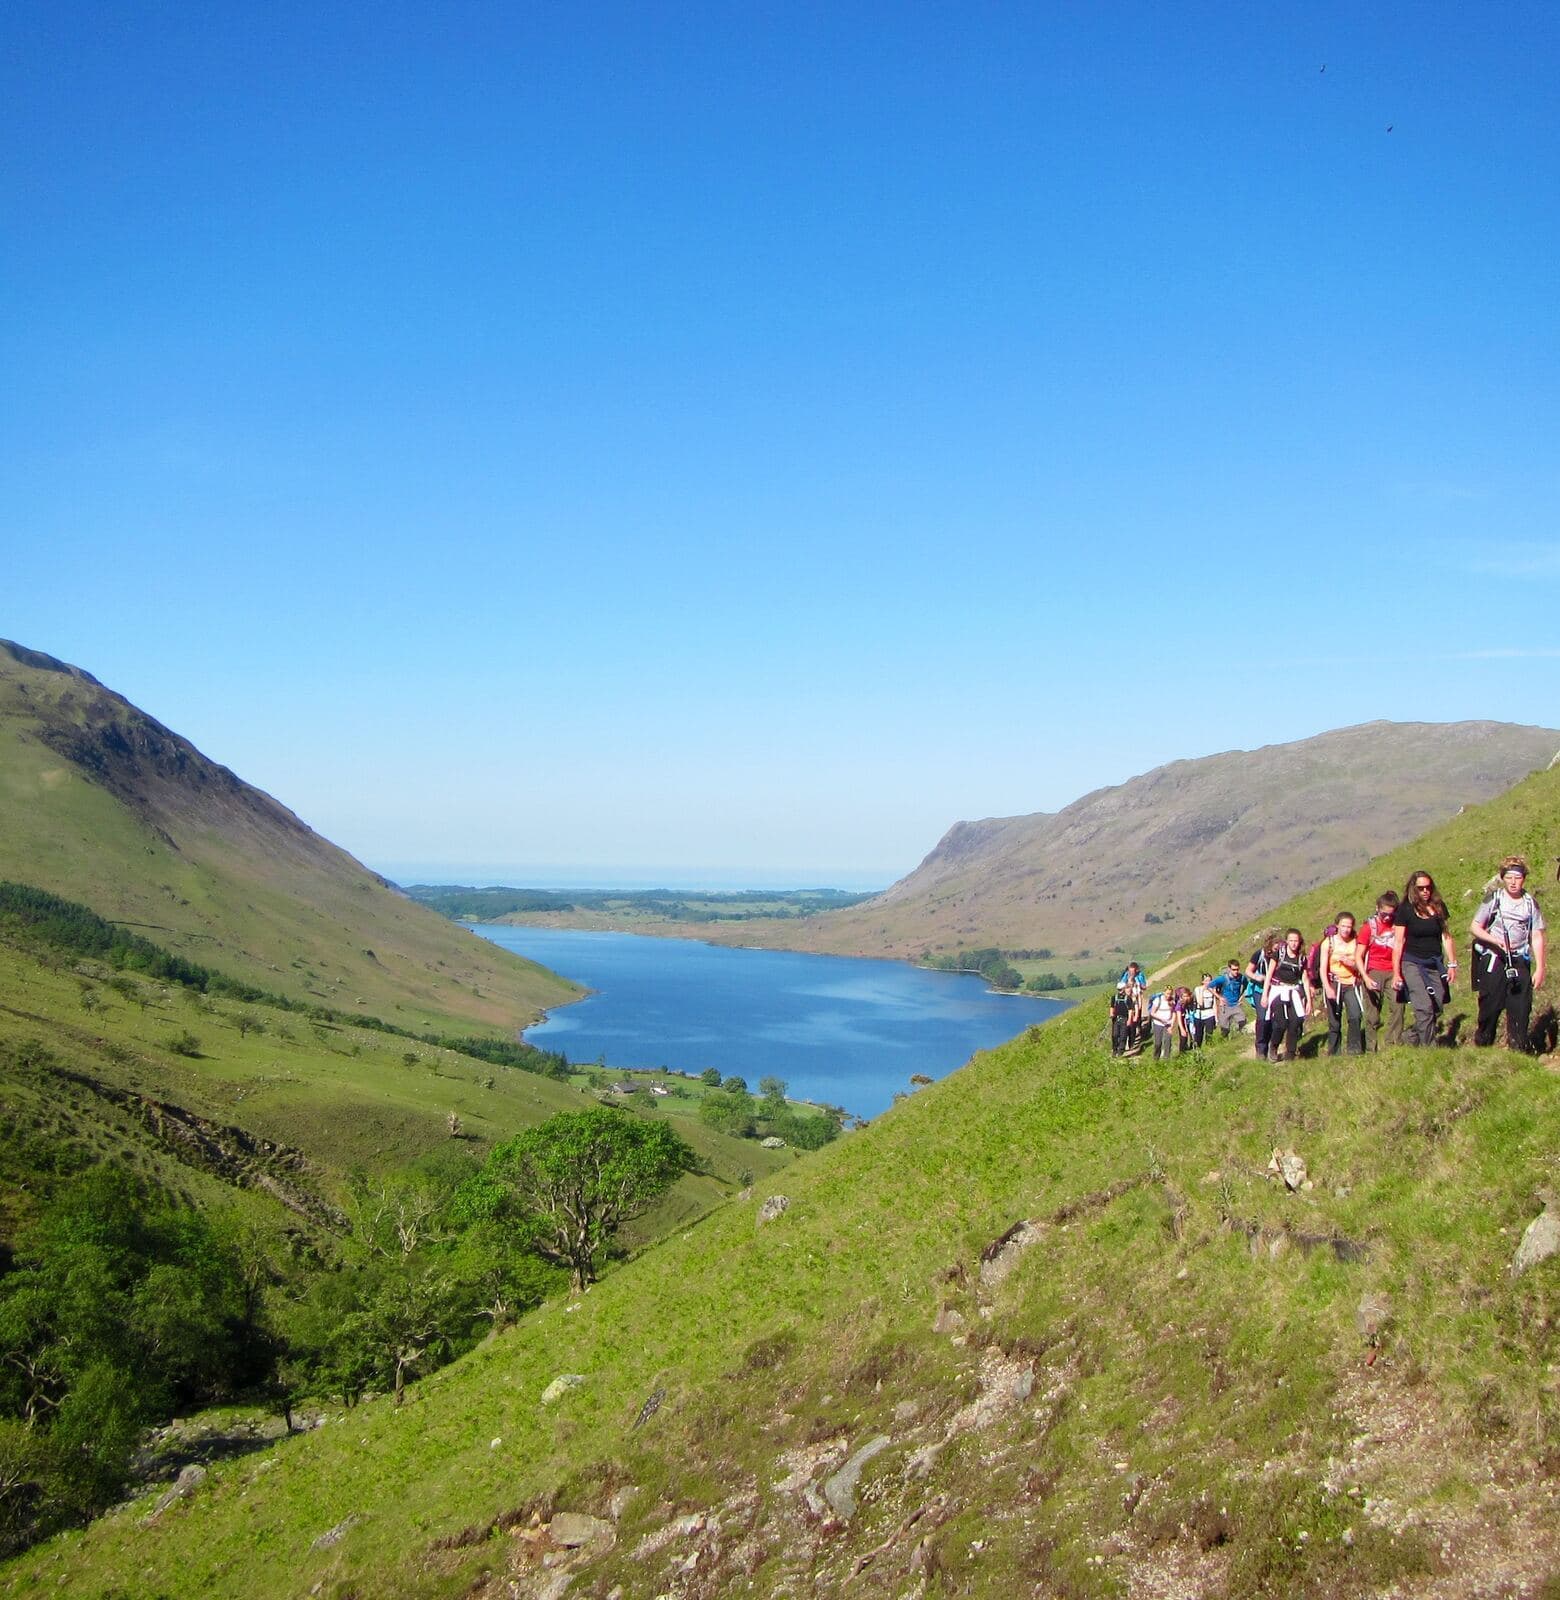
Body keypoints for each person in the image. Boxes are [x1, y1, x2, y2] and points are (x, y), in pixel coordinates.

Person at [1470, 856, 1547, 1052]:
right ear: (1503, 878)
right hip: (1494, 959)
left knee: (1520, 1008)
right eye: (1510, 877)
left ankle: (1518, 1050)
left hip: (1520, 959)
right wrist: (1494, 940)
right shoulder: (1493, 900)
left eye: (1518, 878)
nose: (1513, 882)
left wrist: (1540, 967)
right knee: (1490, 1006)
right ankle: (1483, 1045)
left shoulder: (1531, 904)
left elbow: (1536, 935)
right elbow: (1475, 927)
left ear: (1524, 879)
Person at [1391, 870, 1458, 1046]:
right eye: (1421, 888)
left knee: (1437, 1005)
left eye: (1428, 887)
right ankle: (1430, 1051)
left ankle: (1411, 1037)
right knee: (1423, 1006)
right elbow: (1398, 943)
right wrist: (1397, 973)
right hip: (1411, 962)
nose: (1425, 891)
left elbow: (1446, 936)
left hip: (1434, 962)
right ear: (1414, 889)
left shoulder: (1438, 907)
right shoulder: (1405, 910)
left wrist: (1452, 963)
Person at [1319, 912, 1369, 1055]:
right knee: (1334, 1020)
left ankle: (1354, 1050)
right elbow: (1322, 968)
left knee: (1355, 1015)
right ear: (1337, 926)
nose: (1346, 929)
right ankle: (1334, 1052)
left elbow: (1361, 963)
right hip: (1334, 982)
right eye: (1343, 926)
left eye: (1349, 926)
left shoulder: (1356, 941)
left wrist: (1351, 963)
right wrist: (1327, 987)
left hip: (1352, 983)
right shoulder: (1328, 943)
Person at [1358, 892, 1403, 1049]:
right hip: (1373, 971)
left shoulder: (1398, 926)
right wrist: (1365, 978)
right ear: (1377, 908)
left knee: (1398, 1006)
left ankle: (1393, 1042)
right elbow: (1359, 956)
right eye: (1384, 914)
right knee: (1373, 1013)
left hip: (1393, 970)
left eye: (1391, 914)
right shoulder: (1368, 928)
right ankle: (1371, 1046)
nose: (1387, 918)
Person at [1261, 928, 1312, 1062]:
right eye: (1291, 941)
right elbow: (1269, 975)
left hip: (1294, 992)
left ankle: (1290, 1054)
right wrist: (1264, 995)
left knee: (1295, 1023)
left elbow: (1305, 980)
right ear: (1287, 941)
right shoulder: (1279, 954)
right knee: (1281, 1023)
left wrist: (1309, 1001)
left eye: (1296, 941)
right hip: (1278, 991)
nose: (1294, 944)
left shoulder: (1302, 958)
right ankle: (1273, 1046)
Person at [1246, 937, 1277, 1059]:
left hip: (1274, 990)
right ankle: (1260, 1048)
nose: (1276, 951)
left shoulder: (1280, 956)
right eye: (1274, 949)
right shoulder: (1259, 954)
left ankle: (1272, 1046)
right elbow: (1248, 971)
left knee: (1274, 1020)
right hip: (1259, 990)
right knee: (1263, 1018)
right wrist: (1256, 977)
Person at [1209, 959, 1247, 1034]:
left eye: (1237, 969)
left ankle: (1239, 1036)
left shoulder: (1241, 978)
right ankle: (1225, 1042)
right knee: (1224, 1029)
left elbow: (1247, 986)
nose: (1236, 971)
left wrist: (1241, 997)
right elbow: (1209, 986)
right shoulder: (1222, 979)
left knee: (1242, 1022)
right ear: (1229, 969)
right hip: (1225, 1006)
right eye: (1233, 969)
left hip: (1236, 1005)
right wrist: (1219, 997)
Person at [1147, 986, 1178, 1060]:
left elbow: (1174, 1012)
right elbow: (1152, 1013)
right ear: (1164, 993)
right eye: (1167, 994)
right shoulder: (1158, 1000)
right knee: (1158, 1043)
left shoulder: (1172, 1001)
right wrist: (1161, 1019)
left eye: (1170, 994)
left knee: (1168, 1042)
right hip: (1158, 1023)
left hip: (1168, 1024)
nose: (1168, 995)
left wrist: (1172, 1024)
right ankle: (1156, 1058)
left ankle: (1166, 1059)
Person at [1192, 974, 1218, 1046]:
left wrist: (1216, 1018)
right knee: (1198, 1035)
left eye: (1210, 980)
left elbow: (1214, 1004)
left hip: (1210, 1014)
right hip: (1199, 1015)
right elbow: (1200, 1003)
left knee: (1209, 1034)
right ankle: (1198, 1051)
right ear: (1202, 981)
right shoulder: (1198, 989)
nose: (1208, 982)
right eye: (1206, 981)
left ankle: (1209, 1049)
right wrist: (1202, 991)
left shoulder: (1213, 990)